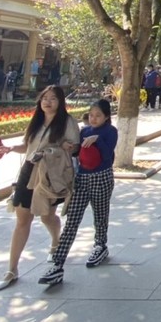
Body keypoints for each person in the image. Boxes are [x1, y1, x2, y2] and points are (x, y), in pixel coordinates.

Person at [0, 85, 80, 291]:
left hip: (49, 174)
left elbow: (74, 147)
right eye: (44, 98)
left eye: (53, 99)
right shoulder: (36, 122)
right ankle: (12, 269)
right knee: (22, 219)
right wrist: (11, 148)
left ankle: (55, 241)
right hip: (29, 170)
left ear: (60, 102)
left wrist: (70, 147)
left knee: (46, 215)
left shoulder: (67, 123)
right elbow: (28, 146)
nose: (48, 102)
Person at [40, 99, 119, 285]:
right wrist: (71, 148)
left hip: (102, 177)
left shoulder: (110, 131)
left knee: (100, 214)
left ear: (106, 116)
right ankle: (58, 263)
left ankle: (100, 244)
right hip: (82, 178)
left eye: (98, 115)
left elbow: (108, 155)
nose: (94, 119)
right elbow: (78, 154)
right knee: (72, 219)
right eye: (91, 115)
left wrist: (97, 141)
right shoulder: (84, 131)